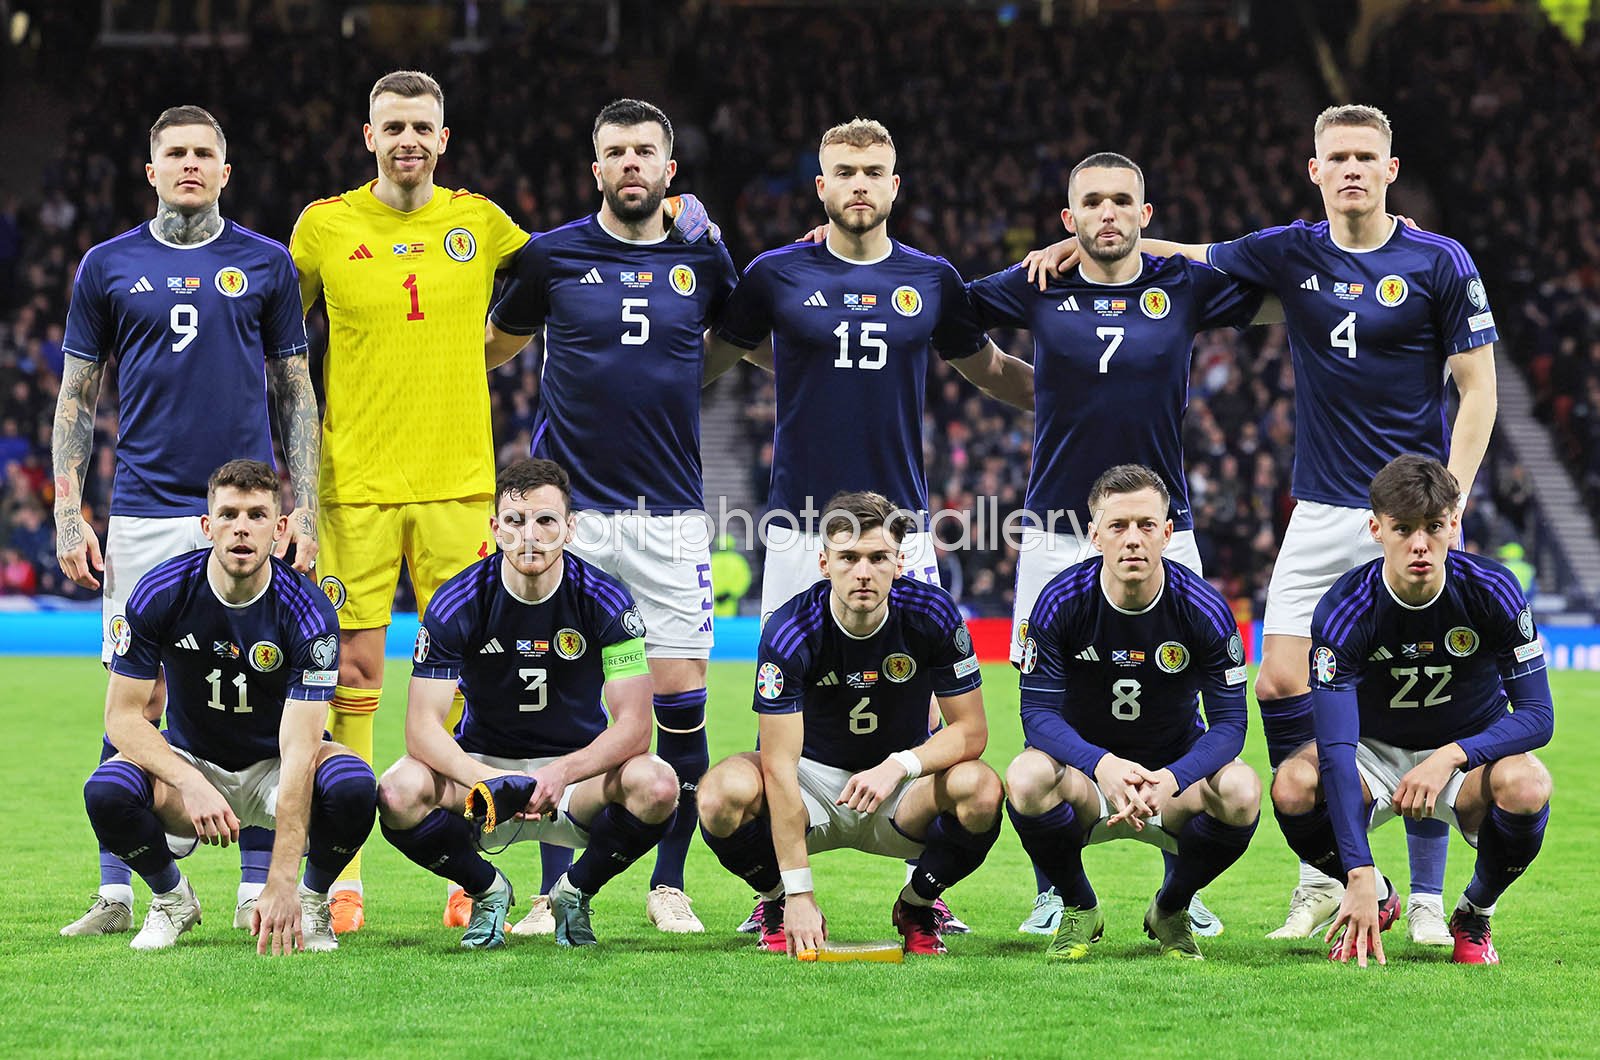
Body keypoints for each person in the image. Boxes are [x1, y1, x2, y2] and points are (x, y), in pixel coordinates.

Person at [1027, 105, 1498, 942]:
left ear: (1392, 168)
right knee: (1280, 682)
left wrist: (1449, 501)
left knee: (1419, 697)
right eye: (1336, 157)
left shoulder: (1439, 260)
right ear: (1313, 171)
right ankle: (1327, 873)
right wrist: (1094, 246)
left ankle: (1426, 895)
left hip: (1412, 512)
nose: (1352, 168)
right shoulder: (1292, 250)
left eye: (1366, 156)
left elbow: (1478, 388)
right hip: (1320, 507)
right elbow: (1192, 254)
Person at [967, 151, 1271, 936]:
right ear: (1067, 221)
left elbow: (1285, 286)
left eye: (1123, 200)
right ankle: (1053, 888)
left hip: (1164, 532)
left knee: (1182, 696)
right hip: (1055, 531)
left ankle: (1184, 884)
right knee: (1047, 704)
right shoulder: (1038, 284)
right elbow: (944, 313)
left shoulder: (1184, 285)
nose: (1108, 212)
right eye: (1091, 202)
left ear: (1145, 213)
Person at [55, 105, 319, 937]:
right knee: (133, 691)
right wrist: (70, 510)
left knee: (256, 685)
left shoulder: (266, 263)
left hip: (245, 512)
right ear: (152, 168)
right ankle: (124, 891)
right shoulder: (107, 265)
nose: (192, 164)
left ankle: (251, 886)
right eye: (176, 152)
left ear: (226, 171)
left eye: (207, 152)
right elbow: (77, 395)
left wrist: (301, 505)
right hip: (141, 509)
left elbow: (295, 391)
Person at [484, 99, 738, 934]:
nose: (631, 163)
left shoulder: (703, 258)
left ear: (670, 169)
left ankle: (668, 883)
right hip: (574, 518)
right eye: (615, 152)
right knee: (571, 705)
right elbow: (493, 345)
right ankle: (557, 893)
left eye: (646, 152)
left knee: (679, 696)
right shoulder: (551, 257)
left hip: (667, 515)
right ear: (595, 168)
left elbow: (752, 333)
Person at [705, 118, 1032, 621]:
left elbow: (991, 369)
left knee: (921, 690)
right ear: (821, 186)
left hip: (901, 522)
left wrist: (1077, 398)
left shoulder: (933, 278)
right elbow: (714, 357)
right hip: (800, 526)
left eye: (874, 172)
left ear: (894, 186)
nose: (860, 183)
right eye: (845, 171)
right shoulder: (774, 273)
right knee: (788, 690)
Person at [375, 458, 678, 949]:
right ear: (495, 528)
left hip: (577, 784)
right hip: (485, 776)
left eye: (545, 521)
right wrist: (487, 781)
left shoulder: (606, 599)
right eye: (515, 522)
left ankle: (574, 892)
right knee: (397, 791)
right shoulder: (457, 601)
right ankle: (488, 890)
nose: (530, 536)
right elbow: (421, 728)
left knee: (659, 784)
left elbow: (636, 728)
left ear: (570, 528)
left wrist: (560, 774)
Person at [81, 460, 375, 953]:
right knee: (107, 788)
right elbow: (123, 717)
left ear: (280, 529)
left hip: (278, 766)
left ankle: (311, 900)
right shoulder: (162, 591)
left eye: (258, 515)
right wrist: (189, 781)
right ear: (207, 525)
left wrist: (281, 879)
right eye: (229, 514)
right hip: (195, 762)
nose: (242, 527)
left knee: (354, 786)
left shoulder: (308, 610)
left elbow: (302, 750)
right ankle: (173, 899)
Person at [697, 491, 1003, 957]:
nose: (863, 572)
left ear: (899, 562)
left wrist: (899, 765)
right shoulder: (790, 628)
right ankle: (777, 903)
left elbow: (971, 732)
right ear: (824, 563)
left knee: (981, 789)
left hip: (901, 791)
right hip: (810, 784)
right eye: (849, 557)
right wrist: (799, 892)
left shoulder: (932, 613)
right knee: (720, 794)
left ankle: (918, 905)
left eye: (878, 557)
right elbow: (779, 765)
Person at [1277, 454, 1552, 966]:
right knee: (1293, 784)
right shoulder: (1344, 609)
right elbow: (1336, 750)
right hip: (1371, 755)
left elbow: (1538, 715)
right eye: (1403, 529)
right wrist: (1357, 873)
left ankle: (1474, 911)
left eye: (1432, 527)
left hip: (1467, 756)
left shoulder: (1493, 591)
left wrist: (1452, 755)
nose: (1419, 544)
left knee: (1529, 784)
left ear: (1454, 523)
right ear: (1377, 529)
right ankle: (1378, 897)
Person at [1006, 465, 1258, 960]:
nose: (1133, 540)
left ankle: (1172, 905)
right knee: (1024, 776)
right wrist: (1102, 764)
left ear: (1168, 534)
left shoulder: (1204, 607)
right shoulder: (1060, 600)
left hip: (1171, 784)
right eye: (1118, 526)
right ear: (1095, 535)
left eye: (1146, 525)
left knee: (1243, 790)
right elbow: (1036, 714)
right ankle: (1078, 906)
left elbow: (1231, 724)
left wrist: (1174, 777)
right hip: (1086, 778)